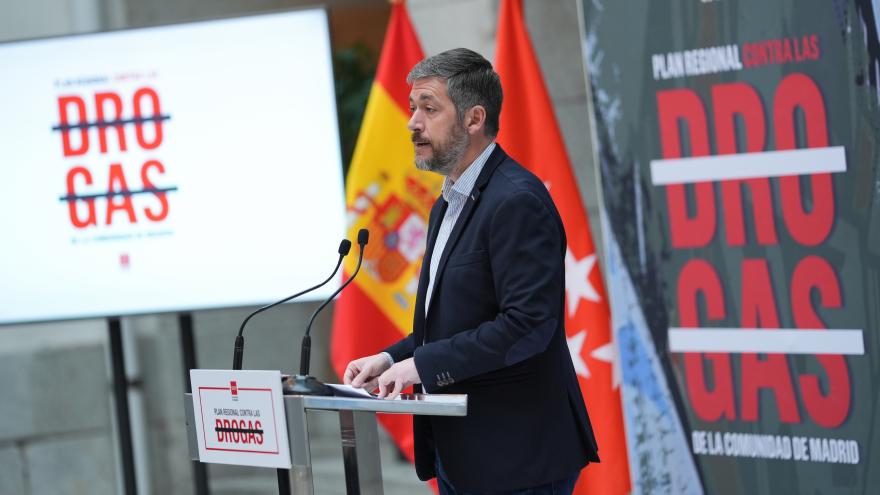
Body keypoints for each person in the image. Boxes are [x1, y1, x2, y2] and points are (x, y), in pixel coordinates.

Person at [343, 48, 599, 495]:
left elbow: (527, 325)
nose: (412, 123)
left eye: (428, 108)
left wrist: (419, 367)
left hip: (518, 458)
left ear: (474, 118)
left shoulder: (516, 200)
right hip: (464, 452)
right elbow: (458, 321)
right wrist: (391, 358)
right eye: (411, 109)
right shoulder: (449, 201)